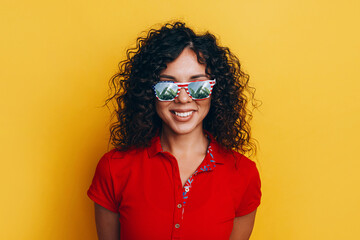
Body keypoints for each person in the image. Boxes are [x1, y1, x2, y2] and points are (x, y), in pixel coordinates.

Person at [87, 21, 261, 240]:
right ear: (148, 92)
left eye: (198, 86)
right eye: (167, 87)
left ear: (216, 91)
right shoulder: (114, 169)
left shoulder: (243, 175)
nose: (184, 98)